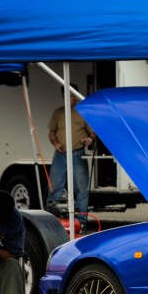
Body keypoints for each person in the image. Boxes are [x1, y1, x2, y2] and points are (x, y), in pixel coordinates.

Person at [47, 84, 95, 221]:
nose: (67, 98)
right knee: (54, 187)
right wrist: (55, 143)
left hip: (78, 154)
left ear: (75, 97)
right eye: (65, 96)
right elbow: (51, 133)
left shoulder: (83, 113)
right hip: (60, 154)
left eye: (70, 96)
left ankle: (81, 221)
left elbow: (92, 134)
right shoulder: (58, 113)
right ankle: (52, 219)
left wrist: (89, 140)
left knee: (81, 189)